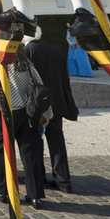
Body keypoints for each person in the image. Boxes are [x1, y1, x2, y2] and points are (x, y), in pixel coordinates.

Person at [0, 45, 51, 209]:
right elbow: (39, 86)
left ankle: (1, 189)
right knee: (30, 153)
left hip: (5, 111)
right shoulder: (26, 63)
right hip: (26, 112)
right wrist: (46, 113)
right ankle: (35, 195)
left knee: (0, 149)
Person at [26, 30, 78, 193]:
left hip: (39, 104)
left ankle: (39, 176)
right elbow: (64, 77)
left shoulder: (28, 51)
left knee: (35, 140)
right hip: (56, 102)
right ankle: (63, 179)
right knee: (57, 141)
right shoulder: (54, 49)